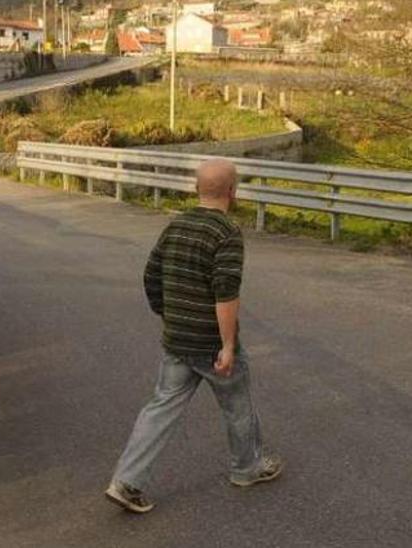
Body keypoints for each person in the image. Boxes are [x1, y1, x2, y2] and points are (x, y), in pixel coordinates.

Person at [105, 159, 282, 514]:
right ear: (233, 191)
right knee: (238, 406)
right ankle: (247, 468)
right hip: (210, 345)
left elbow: (151, 276)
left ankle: (126, 481)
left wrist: (168, 316)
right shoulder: (226, 233)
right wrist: (228, 345)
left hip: (177, 341)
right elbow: (225, 293)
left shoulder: (176, 224)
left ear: (196, 189)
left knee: (160, 408)